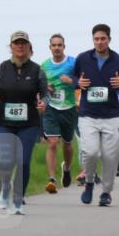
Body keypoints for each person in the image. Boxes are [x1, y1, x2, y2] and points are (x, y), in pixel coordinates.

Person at [0, 31, 49, 216]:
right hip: (3, 123)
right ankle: (5, 189)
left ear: (30, 48)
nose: (20, 46)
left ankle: (18, 200)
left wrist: (44, 102)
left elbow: (46, 94)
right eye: (17, 43)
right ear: (11, 47)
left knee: (23, 162)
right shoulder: (0, 69)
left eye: (24, 43)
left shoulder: (38, 71)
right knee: (5, 161)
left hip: (29, 123)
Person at [72, 24, 119, 207]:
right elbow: (73, 80)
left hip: (111, 115)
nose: (99, 42)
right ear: (93, 40)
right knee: (89, 152)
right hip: (88, 115)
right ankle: (89, 182)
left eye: (103, 38)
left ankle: (106, 192)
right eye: (96, 39)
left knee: (109, 156)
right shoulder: (83, 58)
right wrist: (78, 82)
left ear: (109, 40)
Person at [40, 34, 77, 193]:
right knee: (53, 142)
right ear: (50, 47)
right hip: (51, 108)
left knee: (67, 144)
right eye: (54, 45)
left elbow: (83, 81)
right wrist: (46, 88)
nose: (57, 48)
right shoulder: (44, 66)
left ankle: (67, 169)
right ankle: (51, 179)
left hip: (69, 108)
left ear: (64, 46)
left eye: (59, 45)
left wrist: (71, 82)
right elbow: (39, 86)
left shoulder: (73, 63)